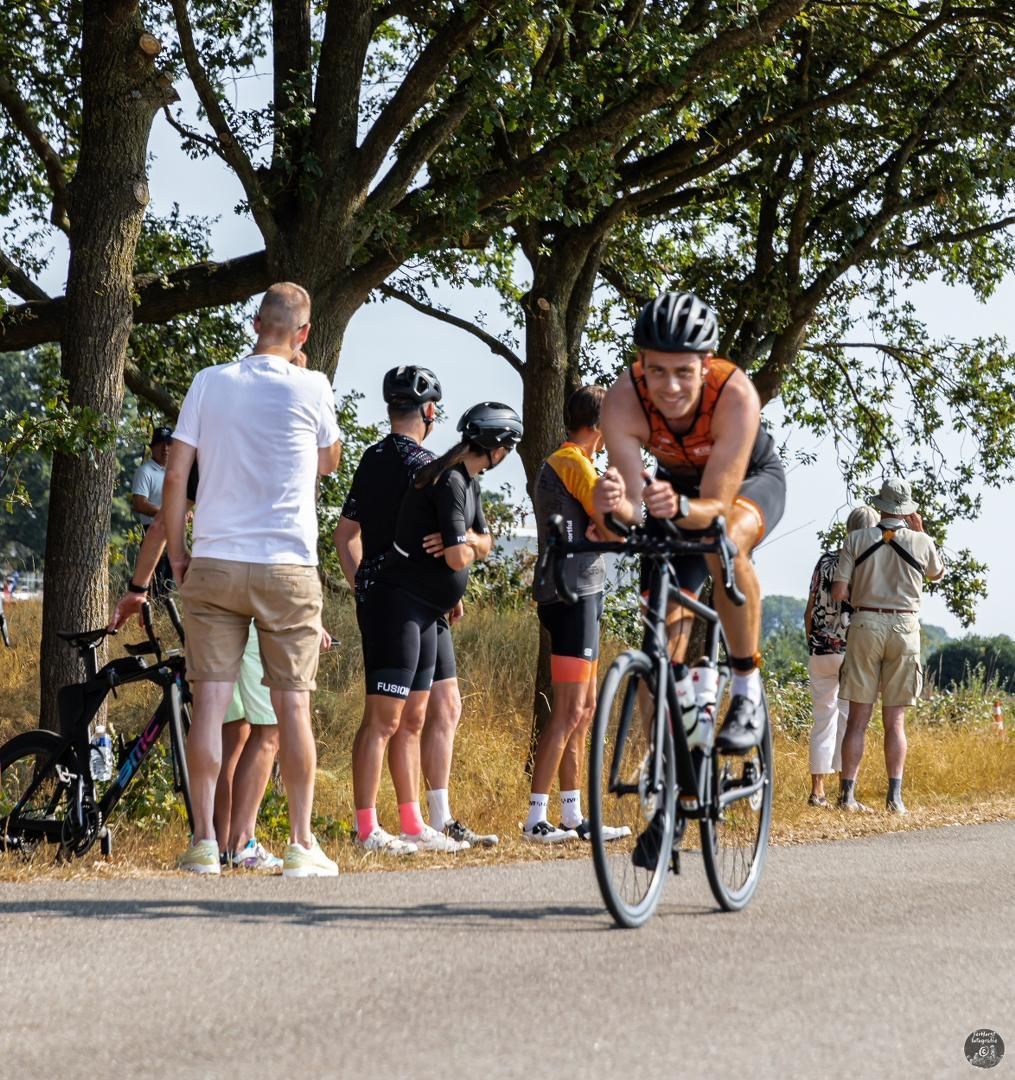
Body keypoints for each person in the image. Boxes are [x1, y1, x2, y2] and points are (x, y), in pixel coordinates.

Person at [592, 290, 786, 867]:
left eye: (683, 372)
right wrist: (612, 504)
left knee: (726, 541)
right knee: (661, 654)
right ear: (641, 365)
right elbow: (631, 511)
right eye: (657, 371)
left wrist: (676, 507)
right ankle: (677, 790)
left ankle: (746, 691)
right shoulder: (623, 401)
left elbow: (716, 506)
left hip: (744, 485)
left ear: (706, 364)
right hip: (672, 494)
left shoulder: (735, 395)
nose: (670, 386)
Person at [163, 282, 343, 877]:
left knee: (211, 708)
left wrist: (179, 553)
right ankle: (300, 844)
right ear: (303, 333)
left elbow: (176, 476)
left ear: (254, 323)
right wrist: (304, 377)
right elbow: (328, 461)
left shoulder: (209, 382)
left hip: (215, 557)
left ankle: (204, 844)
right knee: (293, 709)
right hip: (287, 565)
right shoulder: (313, 386)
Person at [334, 366, 497, 851]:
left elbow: (345, 536)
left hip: (406, 601)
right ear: (429, 411)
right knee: (388, 719)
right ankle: (369, 828)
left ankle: (414, 822)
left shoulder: (371, 457)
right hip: (403, 603)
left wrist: (363, 585)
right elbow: (446, 542)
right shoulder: (432, 467)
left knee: (413, 717)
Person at [110, 459, 289, 872]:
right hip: (257, 587)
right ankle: (240, 842)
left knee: (226, 726)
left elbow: (162, 523)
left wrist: (139, 587)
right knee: (267, 729)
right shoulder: (272, 446)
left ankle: (210, 843)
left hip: (207, 587)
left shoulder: (205, 453)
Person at [525, 385, 628, 843]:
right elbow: (614, 527)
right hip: (572, 596)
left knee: (584, 710)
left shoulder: (574, 463)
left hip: (580, 592)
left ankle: (572, 814)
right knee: (568, 712)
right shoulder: (573, 462)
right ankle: (535, 818)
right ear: (599, 425)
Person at [831, 478, 944, 814]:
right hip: (905, 627)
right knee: (895, 721)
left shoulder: (855, 539)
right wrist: (921, 531)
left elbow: (839, 591)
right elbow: (937, 574)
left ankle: (847, 795)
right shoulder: (922, 541)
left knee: (857, 719)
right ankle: (894, 798)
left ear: (880, 506)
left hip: (865, 624)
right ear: (906, 509)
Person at [804, 505, 879, 806]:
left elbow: (809, 610)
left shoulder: (824, 561)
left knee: (823, 720)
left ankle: (817, 791)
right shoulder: (866, 565)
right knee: (849, 722)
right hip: (850, 650)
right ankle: (845, 792)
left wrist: (813, 644)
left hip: (820, 649)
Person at [131, 426, 174, 597]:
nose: (165, 449)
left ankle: (161, 613)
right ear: (152, 447)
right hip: (152, 533)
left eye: (169, 444)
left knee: (167, 587)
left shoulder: (175, 472)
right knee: (153, 586)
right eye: (160, 444)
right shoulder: (145, 471)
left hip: (173, 534)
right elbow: (139, 504)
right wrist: (169, 512)